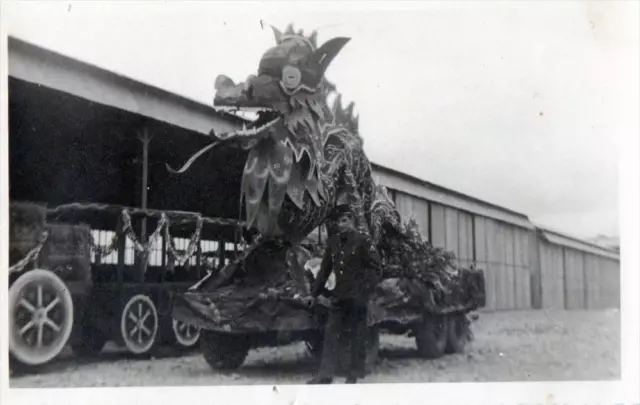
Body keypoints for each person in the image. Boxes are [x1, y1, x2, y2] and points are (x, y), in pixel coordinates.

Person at [307, 204, 382, 384]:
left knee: (357, 336)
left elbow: (376, 269)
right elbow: (324, 270)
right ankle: (325, 375)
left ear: (352, 221)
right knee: (331, 333)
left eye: (345, 220)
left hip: (357, 298)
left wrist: (363, 289)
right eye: (338, 221)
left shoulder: (363, 241)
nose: (341, 225)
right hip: (339, 296)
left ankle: (353, 376)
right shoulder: (332, 242)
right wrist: (313, 294)